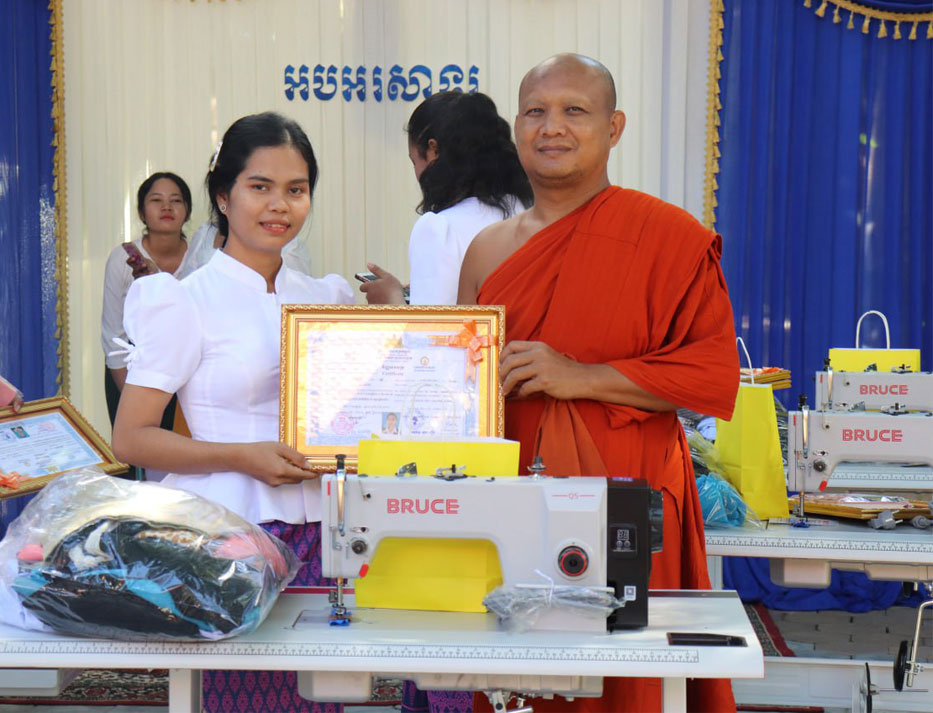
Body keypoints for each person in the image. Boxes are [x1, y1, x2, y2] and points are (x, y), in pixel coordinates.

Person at [459, 54, 740, 713]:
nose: (551, 127)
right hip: (513, 492)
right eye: (535, 112)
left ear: (613, 128)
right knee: (519, 678)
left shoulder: (668, 237)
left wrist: (579, 376)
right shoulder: (487, 249)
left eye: (574, 111)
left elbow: (707, 376)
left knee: (626, 676)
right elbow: (461, 386)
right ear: (516, 128)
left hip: (627, 491)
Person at [111, 111, 353, 713]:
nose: (280, 205)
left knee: (324, 694)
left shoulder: (326, 298)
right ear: (223, 196)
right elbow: (131, 438)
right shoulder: (184, 301)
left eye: (296, 189)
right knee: (244, 697)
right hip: (232, 539)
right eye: (259, 186)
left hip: (327, 533)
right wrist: (242, 457)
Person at [361, 91, 532, 306]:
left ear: (433, 151)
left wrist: (391, 299)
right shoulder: (531, 209)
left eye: (414, 162)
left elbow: (434, 326)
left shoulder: (440, 229)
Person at [101, 172, 197, 435]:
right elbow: (113, 337)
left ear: (187, 211)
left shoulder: (199, 259)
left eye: (175, 200)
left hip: (187, 373)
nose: (167, 207)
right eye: (156, 200)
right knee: (137, 453)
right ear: (142, 213)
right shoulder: (123, 259)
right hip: (131, 371)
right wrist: (133, 398)